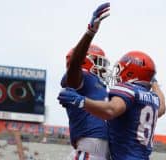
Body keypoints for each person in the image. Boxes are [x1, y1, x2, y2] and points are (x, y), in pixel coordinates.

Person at [58, 51, 166, 160]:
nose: (118, 73)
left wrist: (82, 101)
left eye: (120, 69)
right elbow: (162, 108)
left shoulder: (128, 90)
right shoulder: (154, 99)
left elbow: (111, 110)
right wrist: (154, 83)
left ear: (130, 72)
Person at [60, 2, 111, 160]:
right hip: (90, 148)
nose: (103, 67)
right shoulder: (81, 78)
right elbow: (75, 65)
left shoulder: (98, 84)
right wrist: (90, 32)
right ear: (84, 61)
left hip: (103, 150)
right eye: (98, 62)